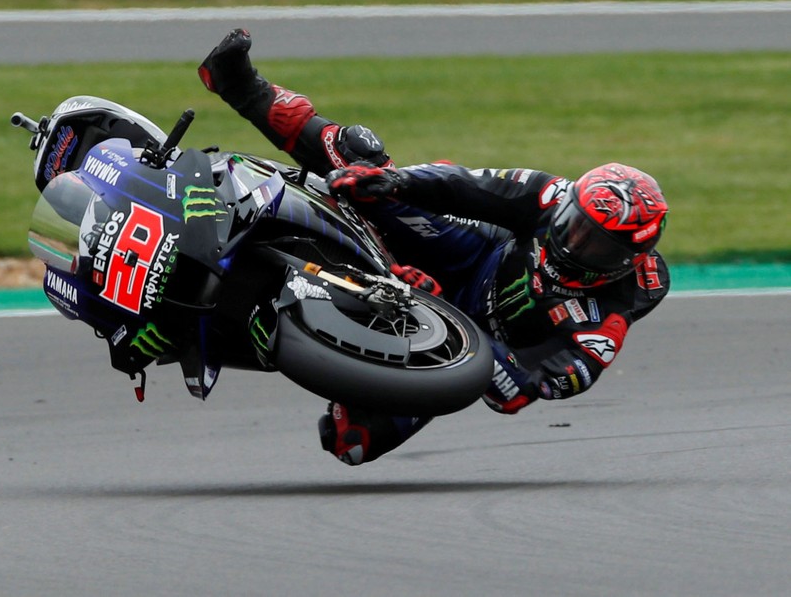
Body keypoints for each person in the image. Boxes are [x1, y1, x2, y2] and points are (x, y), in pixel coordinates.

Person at [198, 29, 670, 466]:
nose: (573, 239)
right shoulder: (554, 195)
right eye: (574, 224)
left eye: (595, 245)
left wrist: (438, 308)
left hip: (471, 348)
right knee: (358, 158)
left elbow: (515, 393)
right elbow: (466, 185)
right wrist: (392, 180)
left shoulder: (609, 318)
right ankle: (240, 85)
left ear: (627, 260)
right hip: (472, 253)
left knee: (350, 442)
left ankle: (288, 317)